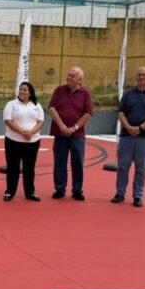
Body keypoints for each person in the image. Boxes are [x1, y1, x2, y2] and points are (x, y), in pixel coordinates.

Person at [111, 66, 145, 207]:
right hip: (127, 137)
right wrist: (128, 127)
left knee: (142, 169)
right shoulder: (128, 95)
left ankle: (138, 196)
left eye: (144, 75)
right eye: (139, 75)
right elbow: (121, 113)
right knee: (123, 166)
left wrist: (140, 128)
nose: (141, 77)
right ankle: (120, 193)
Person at [48, 66, 94, 201]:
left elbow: (88, 113)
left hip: (77, 135)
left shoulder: (85, 94)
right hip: (60, 132)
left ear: (80, 79)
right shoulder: (59, 90)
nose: (69, 77)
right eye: (68, 75)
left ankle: (77, 190)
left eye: (72, 76)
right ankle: (60, 189)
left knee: (78, 162)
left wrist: (74, 128)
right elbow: (51, 108)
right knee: (59, 162)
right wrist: (61, 126)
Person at [2, 81, 45, 202]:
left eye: (25, 90)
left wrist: (31, 133)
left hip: (32, 142)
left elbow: (41, 121)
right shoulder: (11, 104)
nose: (22, 91)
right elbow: (8, 121)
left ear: (30, 93)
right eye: (21, 89)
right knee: (13, 168)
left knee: (29, 168)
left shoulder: (36, 105)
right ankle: (10, 192)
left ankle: (30, 192)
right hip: (13, 141)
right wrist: (23, 133)